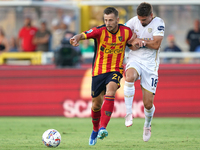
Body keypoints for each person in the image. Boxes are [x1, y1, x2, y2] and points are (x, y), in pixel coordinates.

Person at [70, 7, 133, 146]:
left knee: (111, 91)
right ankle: (95, 129)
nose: (108, 23)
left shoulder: (126, 31)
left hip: (115, 70)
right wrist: (76, 38)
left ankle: (103, 128)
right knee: (96, 105)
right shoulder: (100, 31)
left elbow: (134, 40)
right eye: (105, 20)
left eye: (110, 20)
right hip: (98, 71)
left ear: (117, 19)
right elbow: (84, 34)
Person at [123, 2, 165, 142]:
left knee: (148, 104)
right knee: (129, 77)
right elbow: (124, 40)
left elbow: (156, 44)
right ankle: (128, 113)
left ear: (151, 16)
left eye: (144, 20)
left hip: (150, 65)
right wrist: (131, 42)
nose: (141, 22)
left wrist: (141, 41)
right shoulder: (132, 22)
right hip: (135, 60)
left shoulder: (159, 23)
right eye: (139, 19)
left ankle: (147, 125)